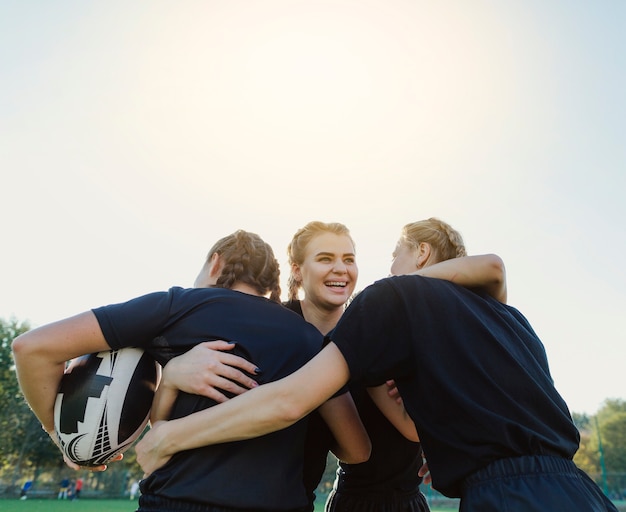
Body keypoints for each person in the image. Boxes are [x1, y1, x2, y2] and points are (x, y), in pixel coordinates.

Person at [134, 219, 617, 512]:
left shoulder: (394, 300)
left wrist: (168, 437)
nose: (385, 268)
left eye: (391, 256)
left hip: (504, 499)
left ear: (421, 254)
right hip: (577, 490)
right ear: (298, 270)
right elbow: (494, 269)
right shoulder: (506, 319)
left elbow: (289, 402)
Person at [12, 229, 370, 512]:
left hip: (174, 501)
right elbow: (355, 449)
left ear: (215, 264)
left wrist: (61, 434)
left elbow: (30, 348)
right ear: (273, 282)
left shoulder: (177, 306)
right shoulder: (309, 339)